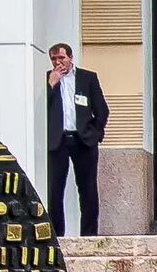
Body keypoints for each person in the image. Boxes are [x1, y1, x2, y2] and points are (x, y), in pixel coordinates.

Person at [46, 43, 110, 237]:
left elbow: (102, 109)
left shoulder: (87, 78)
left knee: (88, 189)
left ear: (71, 58)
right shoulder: (47, 80)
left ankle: (89, 235)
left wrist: (95, 133)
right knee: (55, 190)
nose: (58, 62)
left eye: (61, 58)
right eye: (54, 59)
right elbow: (41, 108)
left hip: (83, 140)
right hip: (58, 141)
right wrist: (51, 85)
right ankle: (57, 235)